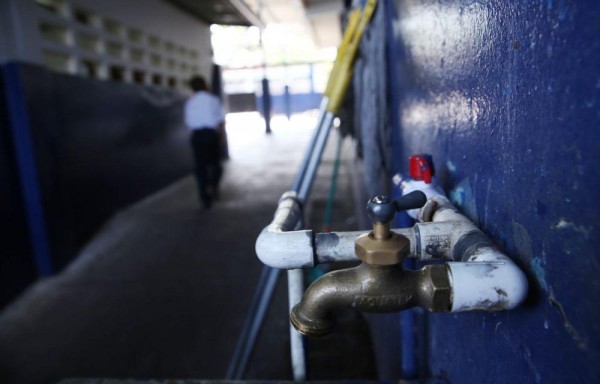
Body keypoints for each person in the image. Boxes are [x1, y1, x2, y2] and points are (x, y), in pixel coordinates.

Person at [184, 76, 226, 209]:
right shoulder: (213, 100)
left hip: (197, 136)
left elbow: (188, 123)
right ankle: (213, 186)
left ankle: (204, 197)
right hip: (211, 135)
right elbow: (220, 121)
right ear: (204, 85)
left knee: (200, 167)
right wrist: (222, 138)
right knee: (216, 165)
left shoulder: (189, 102)